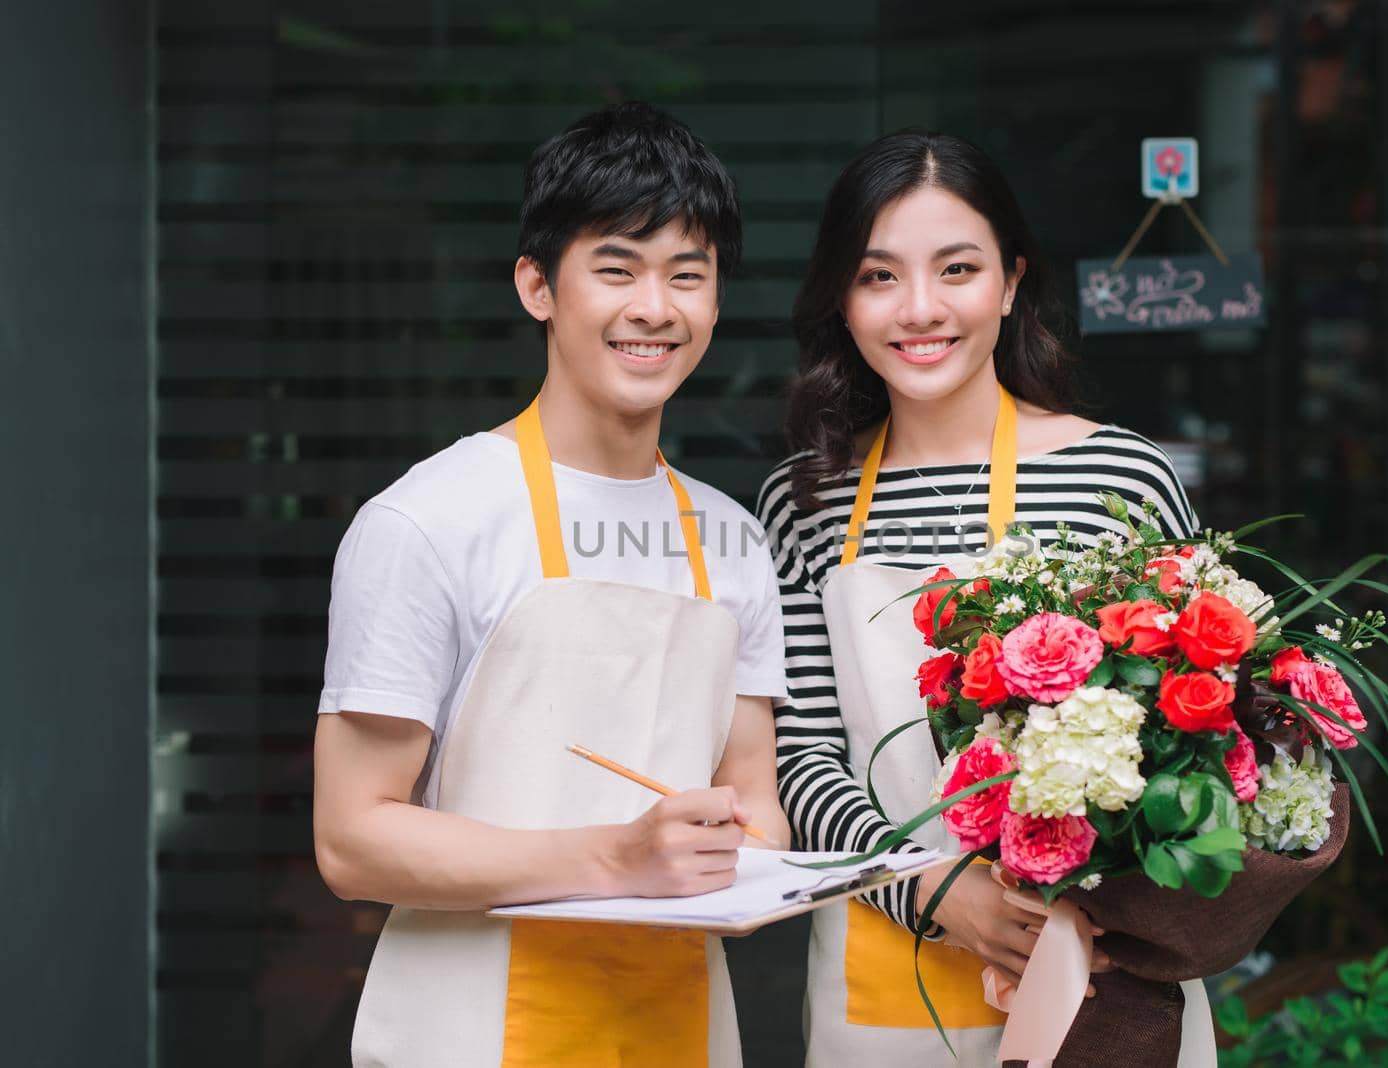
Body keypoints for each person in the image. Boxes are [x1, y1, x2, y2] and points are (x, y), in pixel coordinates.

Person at [312, 101, 789, 1068]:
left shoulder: (733, 539)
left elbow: (753, 794)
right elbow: (352, 840)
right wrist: (616, 860)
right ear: (538, 285)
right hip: (466, 1031)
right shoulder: (426, 522)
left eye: (687, 276)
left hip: (679, 1032)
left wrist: (755, 858)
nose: (654, 307)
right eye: (616, 267)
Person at [757, 130, 1215, 1065]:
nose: (919, 309)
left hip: (1105, 976)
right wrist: (935, 891)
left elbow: (1204, 739)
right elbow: (799, 756)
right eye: (879, 276)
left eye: (956, 269)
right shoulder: (804, 500)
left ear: (1010, 283)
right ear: (841, 299)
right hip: (885, 972)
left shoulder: (1116, 475)